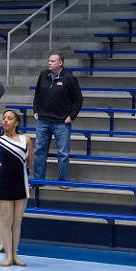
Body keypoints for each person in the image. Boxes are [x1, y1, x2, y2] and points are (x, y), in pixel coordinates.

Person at [0, 109, 34, 267]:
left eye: (9, 118)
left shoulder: (26, 140)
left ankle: (15, 255)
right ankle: (8, 256)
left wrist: (17, 171)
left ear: (17, 123)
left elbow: (30, 162)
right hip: (4, 183)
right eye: (4, 118)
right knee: (7, 221)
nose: (5, 120)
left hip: (21, 182)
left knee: (17, 222)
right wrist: (3, 171)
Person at [32, 52, 83, 187]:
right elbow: (37, 94)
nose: (49, 63)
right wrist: (35, 110)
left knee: (63, 153)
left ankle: (63, 181)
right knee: (39, 151)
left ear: (60, 63)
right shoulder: (43, 75)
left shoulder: (69, 78)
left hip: (61, 122)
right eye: (49, 60)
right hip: (43, 120)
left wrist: (72, 116)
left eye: (53, 61)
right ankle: (38, 180)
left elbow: (78, 99)